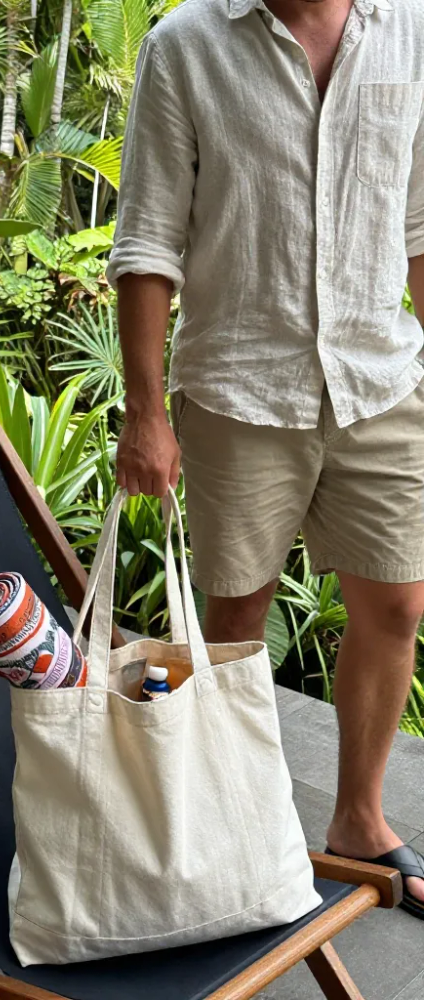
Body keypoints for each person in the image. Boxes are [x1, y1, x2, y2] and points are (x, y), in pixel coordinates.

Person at [107, 0, 424, 917]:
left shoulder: (410, 30)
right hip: (242, 387)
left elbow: (417, 225)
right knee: (237, 615)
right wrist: (146, 411)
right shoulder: (186, 44)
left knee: (398, 600)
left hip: (380, 378)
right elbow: (148, 239)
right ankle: (238, 825)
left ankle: (359, 822)